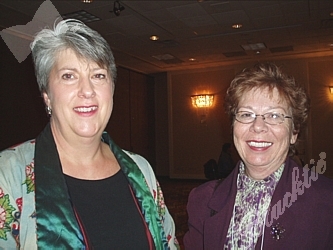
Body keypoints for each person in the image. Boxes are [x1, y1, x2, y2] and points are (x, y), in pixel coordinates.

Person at [0, 19, 178, 249]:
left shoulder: (140, 169)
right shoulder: (9, 174)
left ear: (112, 88)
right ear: (46, 95)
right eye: (69, 76)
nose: (87, 91)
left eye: (98, 75)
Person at [183, 62, 333, 249]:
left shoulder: (327, 200)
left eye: (274, 115)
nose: (258, 126)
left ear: (294, 132)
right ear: (233, 127)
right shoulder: (202, 199)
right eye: (246, 115)